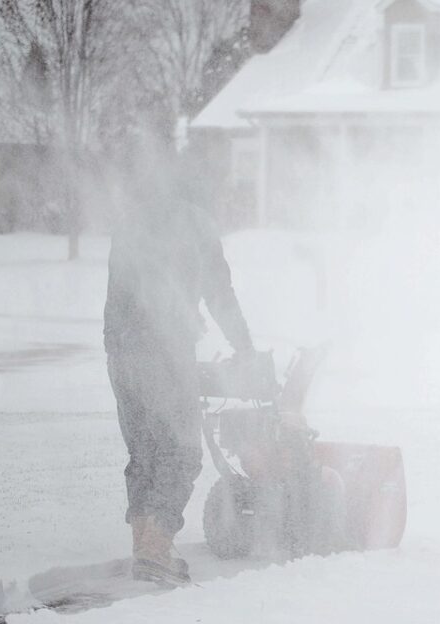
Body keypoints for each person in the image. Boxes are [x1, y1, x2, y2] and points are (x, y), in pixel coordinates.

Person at [103, 140, 254, 586]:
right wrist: (244, 348)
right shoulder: (195, 224)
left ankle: (146, 545)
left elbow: (123, 296)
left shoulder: (129, 223)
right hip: (164, 352)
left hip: (119, 352)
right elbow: (220, 295)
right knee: (182, 451)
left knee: (145, 452)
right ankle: (155, 549)